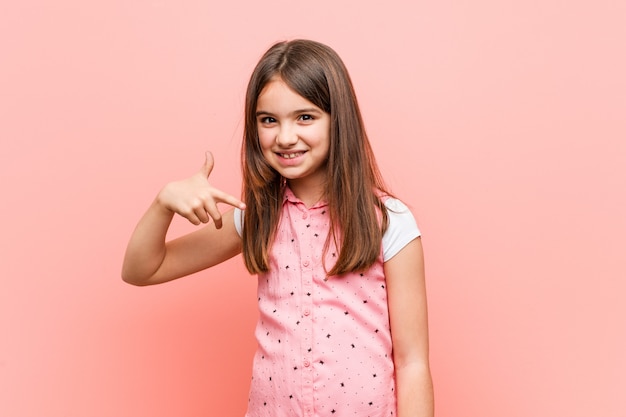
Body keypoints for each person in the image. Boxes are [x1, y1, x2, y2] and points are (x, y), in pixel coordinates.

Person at [122, 39, 433, 417]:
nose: (285, 137)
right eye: (269, 120)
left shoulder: (389, 221)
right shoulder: (257, 216)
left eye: (305, 117)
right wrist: (162, 204)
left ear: (339, 119)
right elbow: (141, 270)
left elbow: (413, 362)